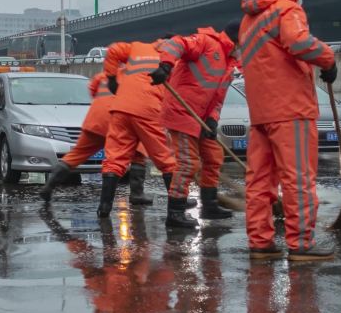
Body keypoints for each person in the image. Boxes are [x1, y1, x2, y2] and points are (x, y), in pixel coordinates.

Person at [239, 0, 337, 260]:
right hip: (291, 109)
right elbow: (298, 42)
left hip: (261, 111)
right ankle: (302, 243)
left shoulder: (250, 17)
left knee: (259, 181)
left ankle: (260, 241)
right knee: (298, 179)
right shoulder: (288, 9)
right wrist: (328, 59)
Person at [149, 20, 241, 228]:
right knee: (188, 163)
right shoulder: (207, 42)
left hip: (201, 118)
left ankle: (209, 205)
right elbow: (175, 43)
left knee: (213, 157)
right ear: (238, 40)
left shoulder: (229, 62)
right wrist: (166, 65)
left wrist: (212, 120)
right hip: (181, 112)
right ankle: (175, 213)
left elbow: (218, 98)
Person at [98, 39, 180, 218]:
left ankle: (104, 209)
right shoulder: (173, 59)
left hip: (121, 107)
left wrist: (111, 78)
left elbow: (113, 49)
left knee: (114, 159)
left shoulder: (138, 48)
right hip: (148, 109)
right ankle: (176, 213)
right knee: (165, 159)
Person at [39, 72, 149, 204]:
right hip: (118, 121)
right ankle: (135, 195)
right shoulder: (141, 78)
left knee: (77, 154)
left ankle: (49, 187)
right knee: (137, 153)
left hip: (95, 120)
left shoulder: (106, 74)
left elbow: (92, 88)